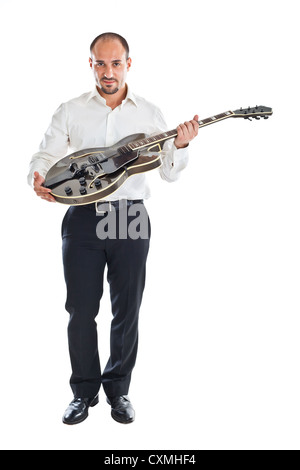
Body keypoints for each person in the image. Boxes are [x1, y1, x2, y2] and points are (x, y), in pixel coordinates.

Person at [28, 32, 199, 425]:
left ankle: (118, 391)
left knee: (127, 310)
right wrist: (37, 176)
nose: (108, 71)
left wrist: (184, 146)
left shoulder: (150, 113)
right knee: (81, 310)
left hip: (130, 215)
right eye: (100, 63)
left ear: (128, 64)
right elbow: (45, 154)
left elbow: (169, 172)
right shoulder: (70, 110)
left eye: (115, 63)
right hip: (84, 216)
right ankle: (83, 392)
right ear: (91, 64)